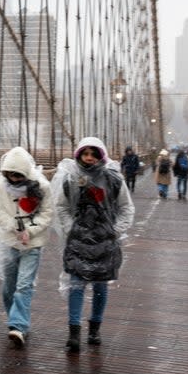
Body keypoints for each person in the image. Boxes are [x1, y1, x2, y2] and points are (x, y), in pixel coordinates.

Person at [0, 146, 54, 348]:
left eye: (18, 174)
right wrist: (16, 228)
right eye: (10, 174)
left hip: (32, 243)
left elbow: (47, 213)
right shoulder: (0, 185)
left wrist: (29, 231)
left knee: (24, 285)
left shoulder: (42, 186)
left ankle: (18, 325)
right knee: (9, 286)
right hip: (9, 240)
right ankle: (15, 319)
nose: (14, 179)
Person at [52, 137, 134, 353]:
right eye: (85, 153)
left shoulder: (113, 179)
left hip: (104, 240)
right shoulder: (71, 178)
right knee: (76, 284)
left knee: (100, 285)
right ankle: (74, 332)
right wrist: (71, 228)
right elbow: (61, 206)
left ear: (101, 156)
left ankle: (95, 329)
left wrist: (115, 230)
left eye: (93, 154)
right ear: (79, 155)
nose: (89, 158)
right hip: (78, 239)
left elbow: (126, 207)